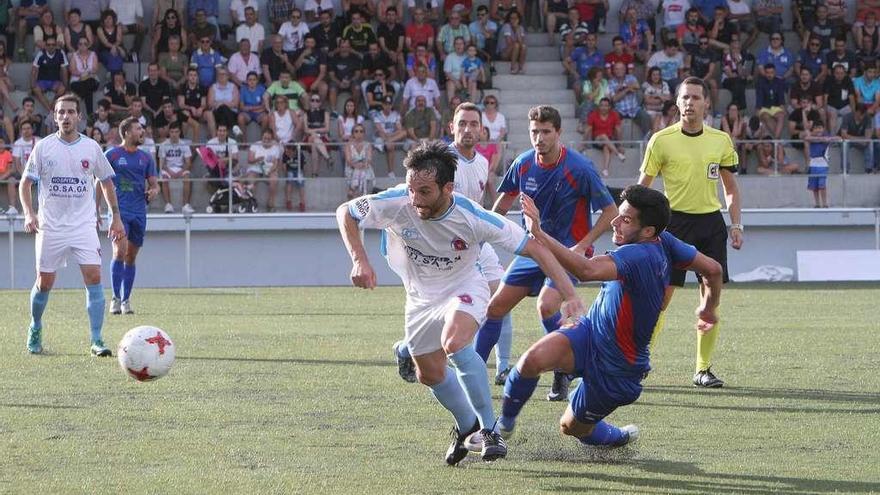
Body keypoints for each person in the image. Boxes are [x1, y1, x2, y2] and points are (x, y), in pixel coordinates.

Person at [337, 140, 586, 464]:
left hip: (464, 288)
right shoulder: (399, 201)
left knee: (454, 342)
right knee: (428, 373)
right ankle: (467, 427)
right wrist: (360, 260)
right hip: (419, 298)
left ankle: (490, 430)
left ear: (448, 188)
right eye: (412, 189)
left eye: (424, 191)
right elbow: (347, 212)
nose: (415, 199)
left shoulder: (473, 216)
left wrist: (570, 294)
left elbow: (536, 248)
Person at [493, 185, 722, 447]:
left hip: (618, 368)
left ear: (647, 231)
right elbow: (713, 270)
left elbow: (586, 271)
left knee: (570, 427)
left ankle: (619, 436)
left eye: (625, 219)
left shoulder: (638, 255)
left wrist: (539, 232)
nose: (614, 222)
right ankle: (501, 428)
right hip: (590, 333)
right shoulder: (663, 239)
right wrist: (708, 308)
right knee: (531, 361)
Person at [474, 105, 617, 401]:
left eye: (545, 132)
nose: (538, 138)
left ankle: (564, 366)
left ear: (558, 133)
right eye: (534, 132)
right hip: (533, 250)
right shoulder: (524, 163)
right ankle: (472, 373)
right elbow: (501, 206)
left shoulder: (580, 167)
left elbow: (610, 212)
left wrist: (582, 244)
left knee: (546, 305)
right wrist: (481, 232)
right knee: (495, 308)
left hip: (567, 252)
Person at [638, 76, 743, 388]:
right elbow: (642, 188)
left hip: (711, 225)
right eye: (685, 98)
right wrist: (631, 225)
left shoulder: (721, 140)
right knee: (661, 299)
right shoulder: (661, 140)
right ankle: (640, 361)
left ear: (707, 103)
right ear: (677, 102)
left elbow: (731, 189)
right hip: (673, 226)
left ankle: (703, 369)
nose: (690, 103)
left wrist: (735, 225)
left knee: (711, 301)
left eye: (696, 98)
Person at [19, 94, 125, 356]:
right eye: (61, 112)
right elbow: (25, 184)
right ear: (54, 117)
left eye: (70, 112)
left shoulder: (91, 147)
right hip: (51, 227)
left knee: (94, 278)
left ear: (79, 116)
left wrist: (116, 216)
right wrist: (29, 214)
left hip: (83, 226)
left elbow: (107, 182)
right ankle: (35, 325)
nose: (65, 117)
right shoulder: (43, 147)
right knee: (44, 282)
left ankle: (97, 340)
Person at [103, 117, 159, 315]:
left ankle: (126, 300)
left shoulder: (146, 158)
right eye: (138, 128)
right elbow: (99, 182)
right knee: (119, 251)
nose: (142, 131)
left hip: (139, 212)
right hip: (119, 212)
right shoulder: (111, 155)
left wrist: (153, 191)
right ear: (126, 132)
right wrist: (94, 211)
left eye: (142, 128)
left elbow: (154, 184)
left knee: (131, 256)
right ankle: (115, 299)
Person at [158, 122, 194, 214]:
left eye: (176, 132)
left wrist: (180, 171)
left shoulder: (184, 144)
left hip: (181, 168)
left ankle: (185, 205)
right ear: (169, 133)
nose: (174, 134)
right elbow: (162, 163)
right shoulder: (163, 145)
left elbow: (188, 163)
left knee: (187, 177)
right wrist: (170, 172)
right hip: (167, 168)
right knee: (164, 177)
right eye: (172, 132)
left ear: (179, 132)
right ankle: (168, 205)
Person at [805, 120, 839, 207]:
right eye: (816, 128)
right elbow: (807, 138)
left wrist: (828, 139)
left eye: (820, 128)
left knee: (822, 185)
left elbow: (838, 138)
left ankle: (825, 203)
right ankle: (817, 204)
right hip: (813, 164)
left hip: (823, 164)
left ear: (823, 128)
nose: (818, 130)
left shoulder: (826, 135)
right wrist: (821, 139)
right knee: (814, 186)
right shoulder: (811, 137)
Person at [343, 123, 374, 198]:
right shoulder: (348, 145)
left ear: (364, 133)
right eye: (356, 131)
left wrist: (362, 165)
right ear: (353, 133)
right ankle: (356, 192)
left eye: (361, 131)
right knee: (357, 171)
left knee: (362, 172)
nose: (359, 133)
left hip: (365, 167)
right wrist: (357, 166)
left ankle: (352, 190)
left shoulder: (368, 145)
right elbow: (348, 160)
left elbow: (369, 159)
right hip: (351, 168)